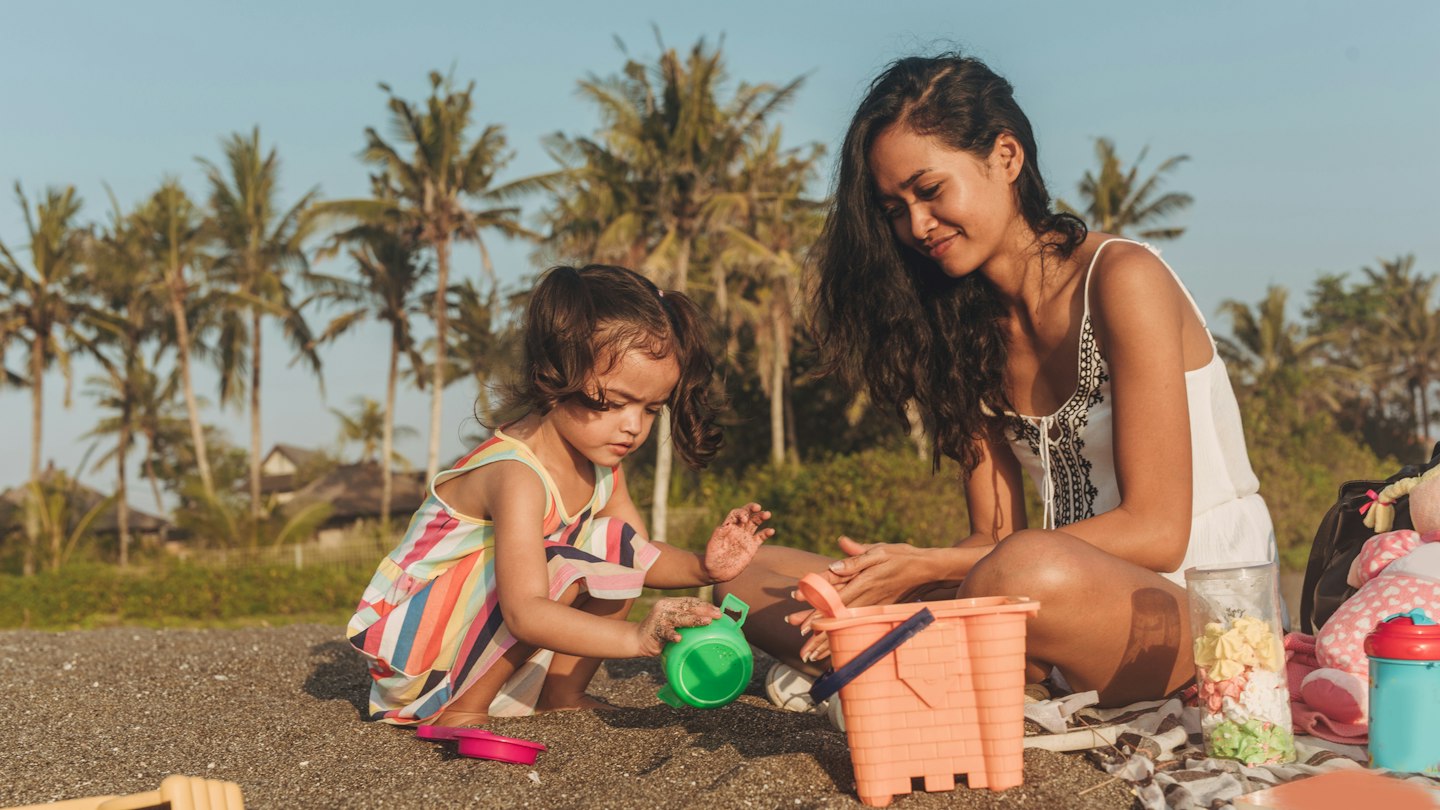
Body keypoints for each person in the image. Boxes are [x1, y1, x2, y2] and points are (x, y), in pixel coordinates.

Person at [720, 53, 1275, 709]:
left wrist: (932, 565)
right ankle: (928, 664)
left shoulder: (1124, 280)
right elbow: (991, 534)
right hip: (1031, 602)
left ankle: (897, 667)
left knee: (1023, 566)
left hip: (1193, 620)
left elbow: (1157, 532)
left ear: (1006, 157)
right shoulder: (958, 327)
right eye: (894, 208)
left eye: (930, 191)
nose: (916, 226)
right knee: (749, 574)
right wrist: (891, 572)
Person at [348, 264, 775, 726]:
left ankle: (562, 692)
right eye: (612, 403)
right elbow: (526, 613)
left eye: (651, 409)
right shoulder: (515, 474)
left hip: (474, 646)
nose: (633, 426)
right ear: (554, 375)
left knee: (610, 549)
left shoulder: (604, 466)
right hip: (417, 652)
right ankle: (460, 711)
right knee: (565, 561)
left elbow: (638, 555)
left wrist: (702, 567)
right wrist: (637, 639)